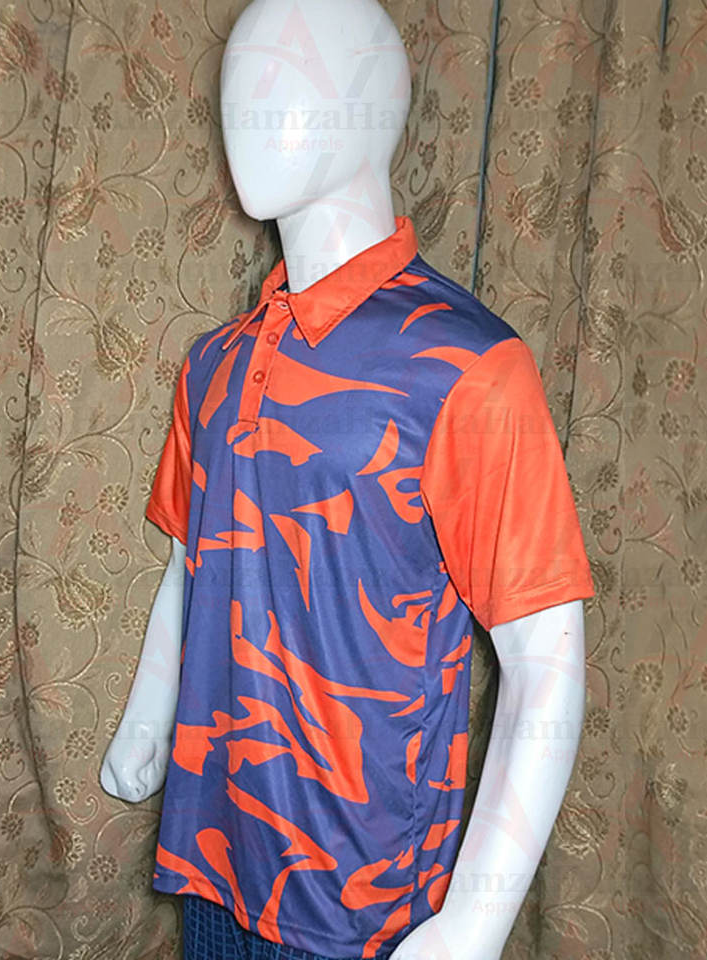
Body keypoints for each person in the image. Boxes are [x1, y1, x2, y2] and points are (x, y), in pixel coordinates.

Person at [101, 1, 595, 957]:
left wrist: (477, 921)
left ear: (370, 106)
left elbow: (547, 657)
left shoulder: (469, 368)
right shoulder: (212, 364)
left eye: (279, 79)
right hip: (213, 861)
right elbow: (191, 564)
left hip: (363, 905)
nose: (245, 111)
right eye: (234, 87)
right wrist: (146, 719)